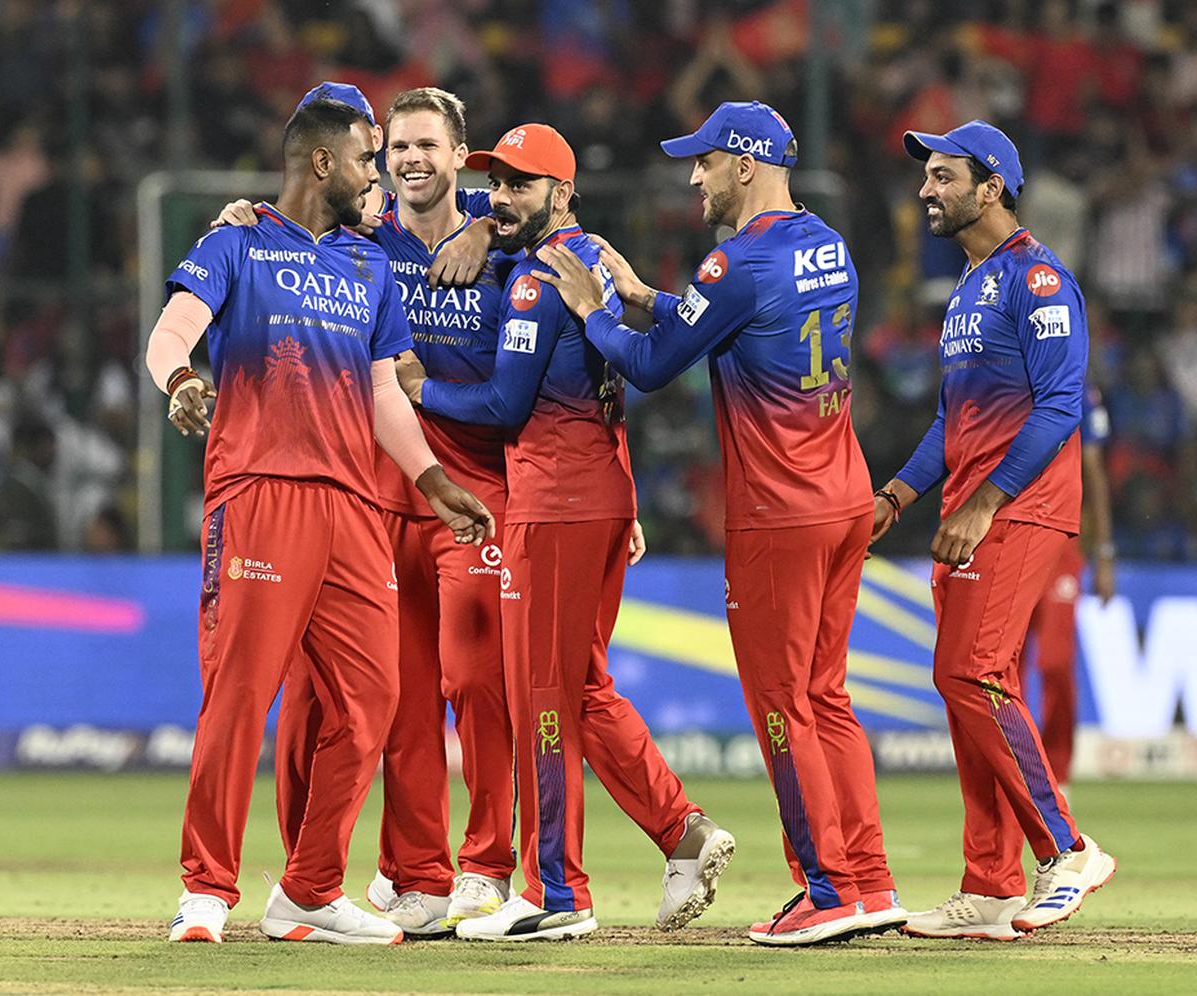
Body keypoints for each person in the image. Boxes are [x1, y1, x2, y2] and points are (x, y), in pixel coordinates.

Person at [534, 100, 904, 947]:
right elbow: (741, 324)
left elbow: (654, 368)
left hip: (779, 513)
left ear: (744, 163)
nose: (692, 177)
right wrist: (645, 294)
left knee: (781, 703)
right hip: (845, 495)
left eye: (703, 162)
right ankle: (872, 879)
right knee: (826, 697)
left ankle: (827, 888)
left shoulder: (734, 260)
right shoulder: (825, 244)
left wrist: (598, 308)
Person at [148, 96, 493, 944]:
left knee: (373, 700)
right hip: (259, 493)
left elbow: (382, 393)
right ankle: (207, 890)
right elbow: (170, 331)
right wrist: (183, 381)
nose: (377, 176)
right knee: (239, 693)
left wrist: (435, 479)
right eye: (367, 160)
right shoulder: (237, 242)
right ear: (323, 164)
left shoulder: (368, 268)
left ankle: (308, 889)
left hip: (353, 508)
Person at [398, 123, 734, 941]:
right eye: (496, 185)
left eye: (518, 186)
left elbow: (504, 407)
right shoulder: (580, 258)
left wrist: (419, 387)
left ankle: (559, 893)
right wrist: (480, 224)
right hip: (597, 493)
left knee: (542, 694)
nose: (503, 198)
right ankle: (680, 832)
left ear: (561, 191)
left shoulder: (536, 281)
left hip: (554, 502)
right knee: (578, 687)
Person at [871, 120, 1116, 940]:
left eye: (942, 177)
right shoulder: (971, 287)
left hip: (1019, 509)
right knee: (965, 682)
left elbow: (1059, 405)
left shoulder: (1039, 278)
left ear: (992, 186)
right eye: (927, 176)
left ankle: (1068, 850)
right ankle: (988, 885)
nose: (925, 191)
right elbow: (954, 419)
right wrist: (898, 497)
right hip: (964, 512)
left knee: (971, 672)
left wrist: (986, 502)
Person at [1021, 383, 1116, 789]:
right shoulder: (1006, 380)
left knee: (1054, 662)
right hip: (1012, 535)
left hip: (1062, 541)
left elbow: (1092, 468)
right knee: (1005, 667)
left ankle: (1057, 776)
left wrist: (1105, 553)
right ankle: (1015, 771)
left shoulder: (1077, 389)